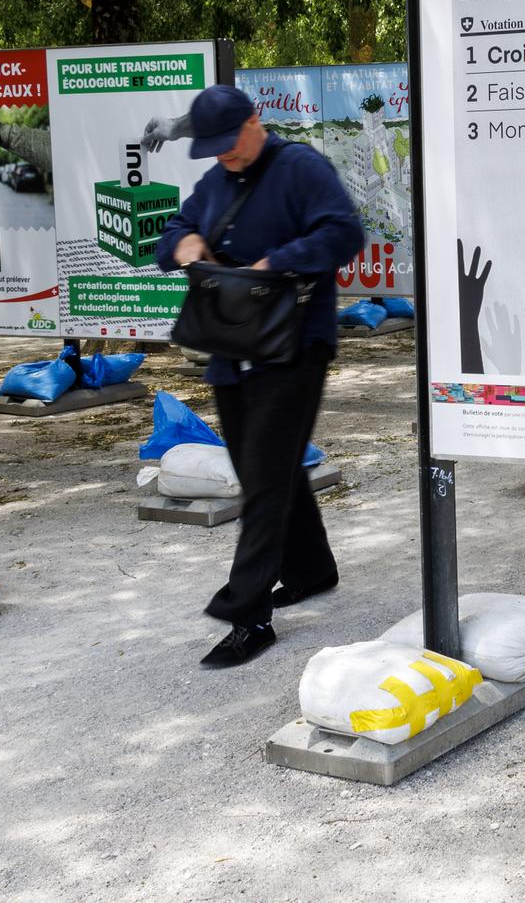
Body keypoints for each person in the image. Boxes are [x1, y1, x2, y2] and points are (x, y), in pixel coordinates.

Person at [158, 84, 365, 668]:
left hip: (294, 346)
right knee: (262, 467)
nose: (225, 155)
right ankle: (311, 570)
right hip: (229, 346)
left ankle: (247, 613)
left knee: (266, 478)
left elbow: (344, 234)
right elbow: (171, 233)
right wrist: (185, 243)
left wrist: (277, 263)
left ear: (256, 121)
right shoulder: (215, 182)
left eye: (231, 142)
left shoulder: (300, 167)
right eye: (214, 148)